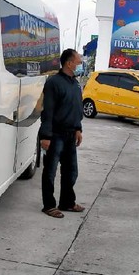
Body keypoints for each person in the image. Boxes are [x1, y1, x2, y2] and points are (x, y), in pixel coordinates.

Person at [39, 48, 85, 219]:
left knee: (71, 171)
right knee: (50, 171)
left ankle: (67, 202)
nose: (80, 65)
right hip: (55, 134)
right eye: (78, 62)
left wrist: (78, 129)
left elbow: (77, 108)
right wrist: (46, 136)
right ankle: (49, 205)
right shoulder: (54, 83)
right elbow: (48, 111)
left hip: (71, 134)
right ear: (69, 63)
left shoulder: (75, 83)